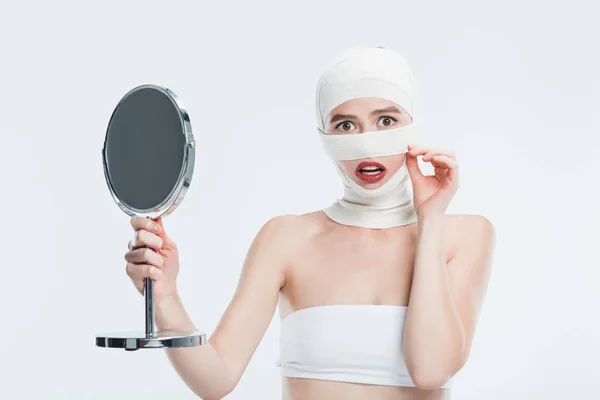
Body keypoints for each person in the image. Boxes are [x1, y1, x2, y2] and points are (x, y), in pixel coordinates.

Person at [124, 46, 496, 400]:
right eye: (346, 125)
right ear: (325, 135)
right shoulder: (286, 238)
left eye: (386, 120)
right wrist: (166, 297)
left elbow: (431, 371)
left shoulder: (464, 236)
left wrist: (429, 221)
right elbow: (215, 379)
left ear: (412, 123)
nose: (366, 143)